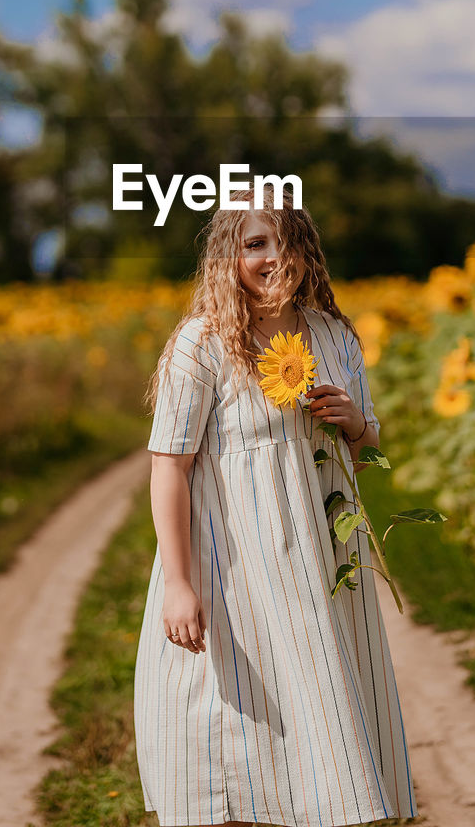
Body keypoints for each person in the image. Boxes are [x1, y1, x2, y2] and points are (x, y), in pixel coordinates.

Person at [133, 185, 416, 827]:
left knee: (321, 694)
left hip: (319, 551)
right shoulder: (202, 344)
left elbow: (370, 444)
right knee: (231, 704)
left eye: (284, 239)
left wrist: (354, 424)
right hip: (230, 558)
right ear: (228, 255)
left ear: (307, 251)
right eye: (254, 242)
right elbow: (169, 467)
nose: (272, 256)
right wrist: (179, 583)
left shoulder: (332, 336)